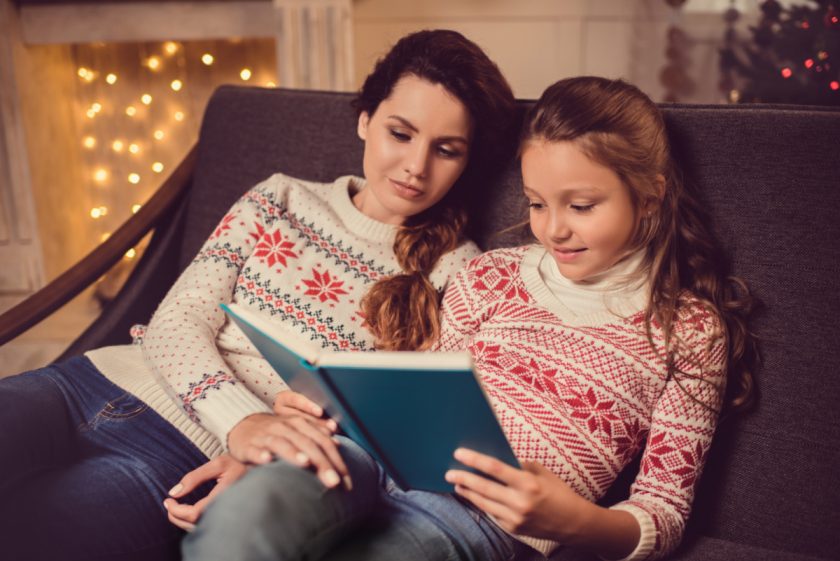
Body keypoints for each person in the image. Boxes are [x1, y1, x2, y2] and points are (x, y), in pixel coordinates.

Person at [181, 76, 757, 561]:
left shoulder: (690, 330)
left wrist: (576, 521)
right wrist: (321, 412)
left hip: (477, 524)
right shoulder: (491, 275)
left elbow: (664, 507)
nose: (552, 229)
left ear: (650, 198)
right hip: (367, 460)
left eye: (581, 206)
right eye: (536, 202)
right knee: (247, 514)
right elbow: (413, 390)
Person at [0, 29, 516, 561]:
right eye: (400, 133)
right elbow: (178, 319)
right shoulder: (280, 197)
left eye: (446, 150)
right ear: (365, 120)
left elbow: (395, 424)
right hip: (87, 381)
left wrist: (260, 458)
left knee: (28, 538)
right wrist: (242, 420)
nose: (416, 166)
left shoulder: (463, 271)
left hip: (180, 455)